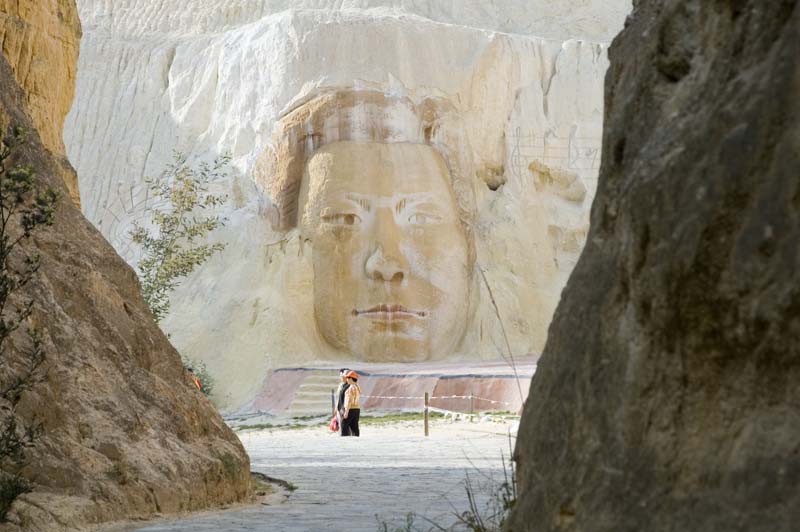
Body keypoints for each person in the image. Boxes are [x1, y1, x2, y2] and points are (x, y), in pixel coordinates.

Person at [341, 370, 361, 437]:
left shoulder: (350, 388)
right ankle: (356, 439)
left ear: (351, 378)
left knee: (344, 425)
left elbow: (349, 400)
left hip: (350, 409)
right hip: (357, 409)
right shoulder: (358, 387)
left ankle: (344, 439)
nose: (347, 379)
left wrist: (346, 411)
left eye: (348, 378)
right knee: (355, 426)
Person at [334, 368, 350, 434]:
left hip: (346, 408)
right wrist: (336, 408)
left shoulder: (350, 385)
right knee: (340, 426)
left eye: (342, 376)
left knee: (346, 426)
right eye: (340, 376)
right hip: (339, 408)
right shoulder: (341, 385)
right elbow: (338, 397)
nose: (341, 378)